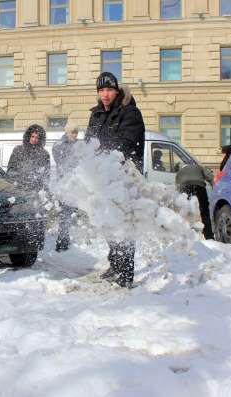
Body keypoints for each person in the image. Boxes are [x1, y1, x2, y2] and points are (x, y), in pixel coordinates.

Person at [86, 71, 145, 289]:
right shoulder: (96, 115)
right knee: (108, 223)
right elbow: (88, 142)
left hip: (125, 177)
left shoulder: (130, 113)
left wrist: (101, 157)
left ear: (117, 90)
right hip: (102, 178)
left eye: (109, 89)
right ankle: (115, 263)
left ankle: (125, 273)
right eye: (101, 90)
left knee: (124, 225)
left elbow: (126, 144)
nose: (105, 94)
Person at [52, 123, 79, 251]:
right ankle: (62, 242)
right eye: (72, 132)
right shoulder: (59, 145)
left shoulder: (78, 144)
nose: (74, 135)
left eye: (76, 132)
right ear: (67, 132)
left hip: (77, 186)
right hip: (65, 186)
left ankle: (71, 239)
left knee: (75, 215)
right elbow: (62, 162)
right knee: (65, 215)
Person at [6, 124, 50, 192]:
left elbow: (46, 175)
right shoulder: (18, 150)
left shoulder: (44, 154)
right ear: (28, 136)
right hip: (19, 188)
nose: (34, 139)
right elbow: (11, 169)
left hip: (36, 189)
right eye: (32, 136)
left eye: (37, 137)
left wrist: (44, 188)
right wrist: (17, 180)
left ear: (40, 139)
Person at [175, 163, 214, 239]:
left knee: (186, 210)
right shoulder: (199, 167)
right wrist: (214, 187)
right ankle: (209, 236)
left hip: (186, 187)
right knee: (204, 210)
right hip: (199, 186)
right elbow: (211, 177)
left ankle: (187, 234)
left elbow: (177, 187)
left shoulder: (180, 172)